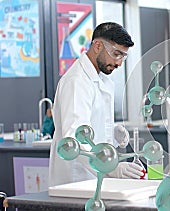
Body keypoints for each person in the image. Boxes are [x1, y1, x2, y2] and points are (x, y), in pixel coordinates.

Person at [49, 22, 144, 186]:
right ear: (98, 46)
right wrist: (110, 167)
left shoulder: (101, 80)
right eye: (116, 54)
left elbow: (90, 130)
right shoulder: (77, 81)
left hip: (95, 178)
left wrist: (111, 132)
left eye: (123, 56)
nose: (119, 63)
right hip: (76, 180)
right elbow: (74, 139)